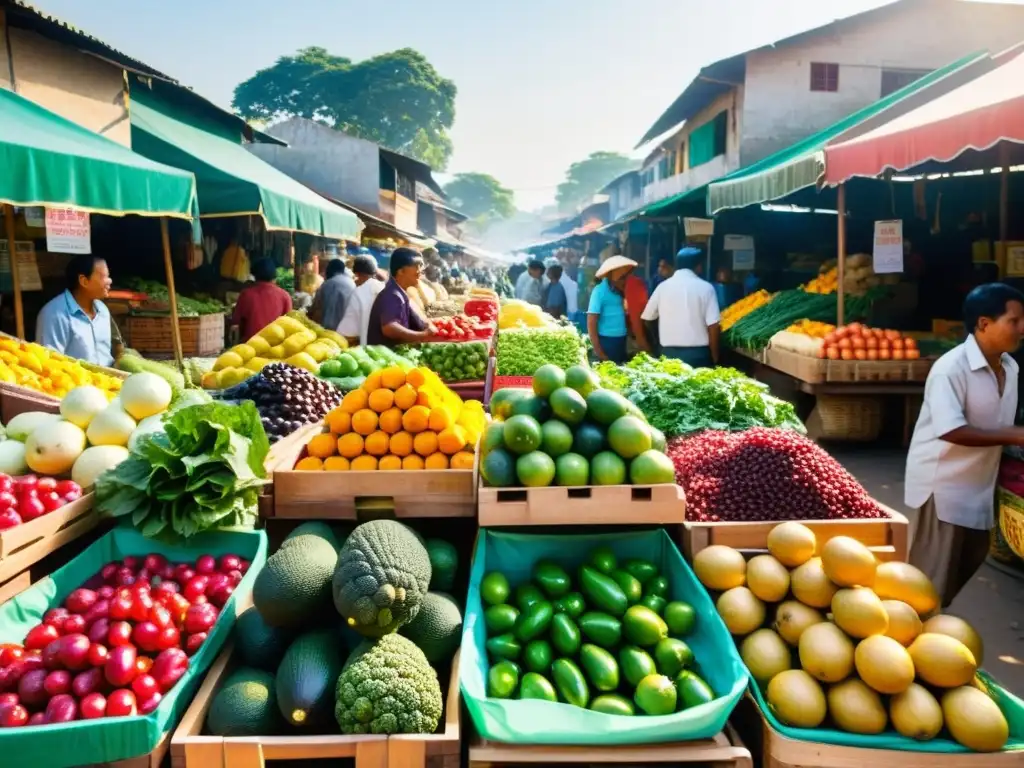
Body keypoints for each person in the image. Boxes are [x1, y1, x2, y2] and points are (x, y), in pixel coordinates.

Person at [905, 283, 1024, 608]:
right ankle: (909, 646)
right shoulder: (950, 369)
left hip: (978, 487)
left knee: (965, 564)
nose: (1022, 329)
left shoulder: (1010, 368)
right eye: (1014, 321)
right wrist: (1015, 435)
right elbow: (951, 430)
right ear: (984, 324)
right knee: (926, 587)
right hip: (942, 489)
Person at [641, 247, 721, 368]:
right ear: (698, 266)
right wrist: (715, 356)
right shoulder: (706, 288)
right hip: (698, 355)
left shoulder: (662, 287)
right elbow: (713, 326)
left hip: (669, 354)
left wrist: (657, 341)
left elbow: (648, 318)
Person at [37, 254, 120, 366]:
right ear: (84, 281)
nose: (109, 281)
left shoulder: (102, 310)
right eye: (103, 277)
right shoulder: (53, 314)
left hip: (107, 381)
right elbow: (50, 363)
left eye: (108, 276)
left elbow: (115, 348)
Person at [366, 248, 434, 346]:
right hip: (386, 356)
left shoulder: (400, 292)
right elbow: (389, 328)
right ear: (401, 271)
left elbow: (415, 317)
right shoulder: (392, 295)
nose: (420, 271)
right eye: (416, 266)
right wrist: (421, 335)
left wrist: (427, 325)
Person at [587, 256, 636, 364]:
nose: (625, 281)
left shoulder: (622, 291)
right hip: (606, 342)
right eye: (622, 278)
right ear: (612, 277)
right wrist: (599, 352)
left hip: (622, 340)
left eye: (626, 277)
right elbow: (591, 321)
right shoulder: (599, 291)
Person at [231, 258, 293, 342]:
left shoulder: (246, 294)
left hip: (251, 346)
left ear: (255, 276)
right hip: (276, 346)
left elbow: (236, 322)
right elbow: (288, 325)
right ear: (274, 277)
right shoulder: (285, 296)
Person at [338, 254, 386, 346]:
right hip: (392, 351)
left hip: (370, 352)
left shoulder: (359, 293)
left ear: (356, 274)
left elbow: (347, 332)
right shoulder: (384, 288)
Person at [309, 258, 356, 332]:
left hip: (329, 330)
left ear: (331, 270)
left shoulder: (328, 284)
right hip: (348, 329)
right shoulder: (351, 283)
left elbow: (315, 307)